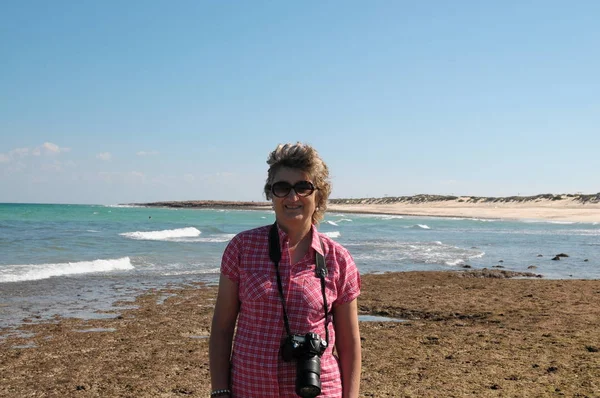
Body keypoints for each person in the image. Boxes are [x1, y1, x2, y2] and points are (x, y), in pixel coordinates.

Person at [209, 142, 361, 398]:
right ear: (271, 193)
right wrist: (220, 390)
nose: (292, 198)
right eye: (282, 188)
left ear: (318, 195)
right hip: (250, 389)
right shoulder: (242, 248)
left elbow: (349, 345)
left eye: (303, 187)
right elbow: (222, 328)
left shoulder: (338, 259)